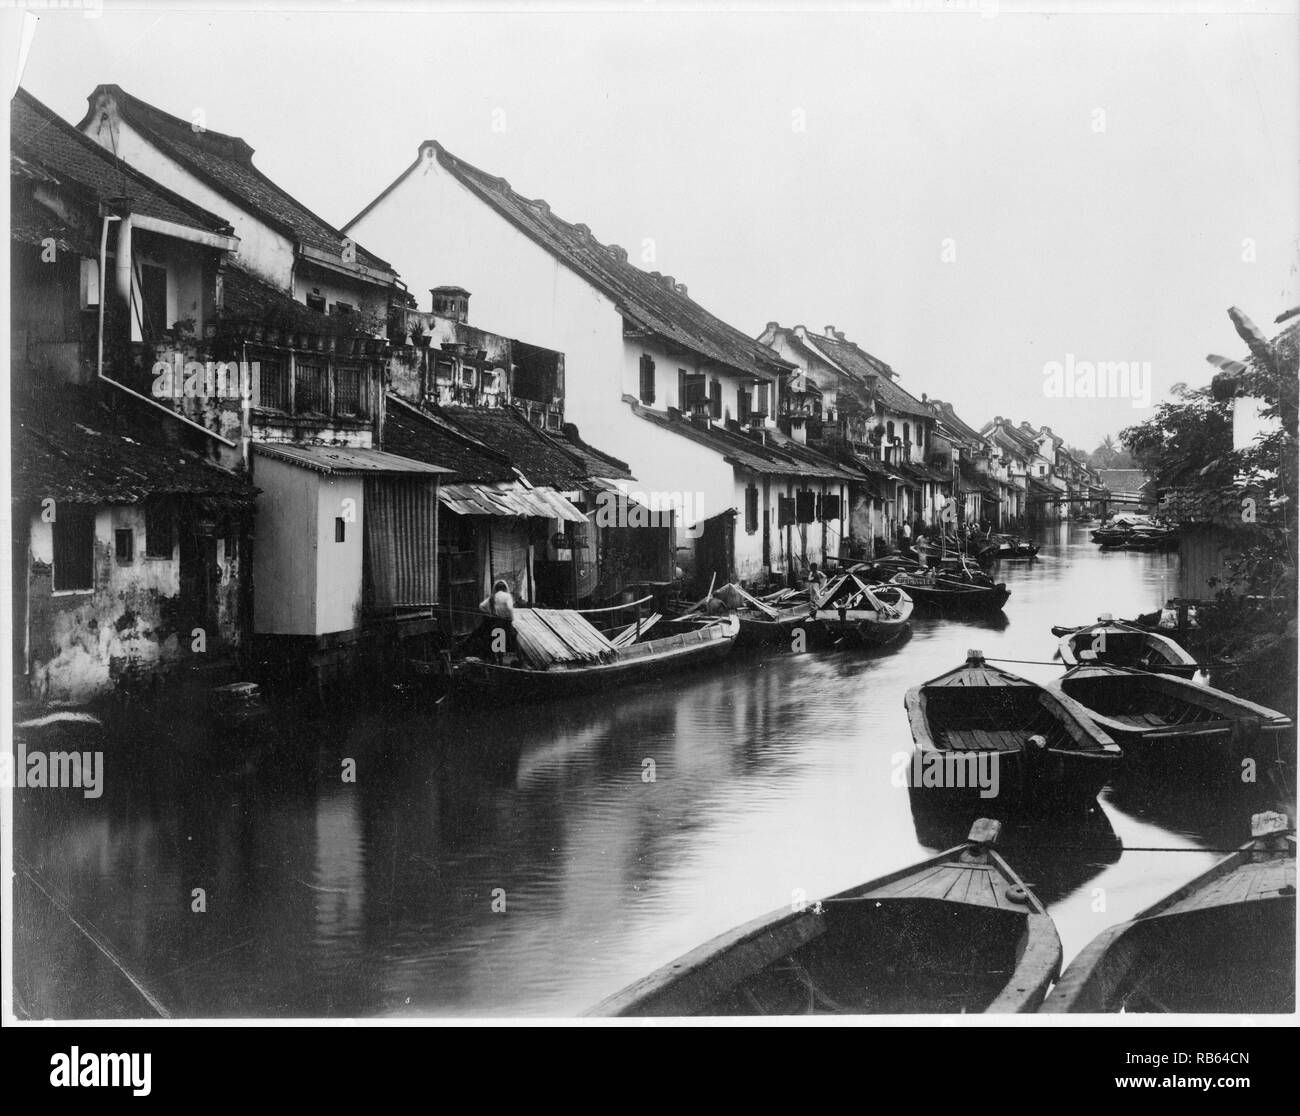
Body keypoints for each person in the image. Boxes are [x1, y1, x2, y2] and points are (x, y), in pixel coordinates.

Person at [479, 580, 516, 661]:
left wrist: (489, 613)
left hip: (494, 622)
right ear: (505, 587)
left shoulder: (492, 597)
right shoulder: (507, 596)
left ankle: (495, 659)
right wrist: (511, 618)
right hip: (504, 622)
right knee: (513, 637)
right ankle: (504, 660)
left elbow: (481, 606)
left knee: (496, 641)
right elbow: (510, 608)